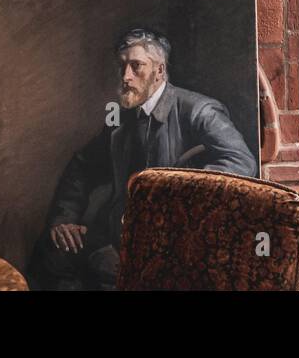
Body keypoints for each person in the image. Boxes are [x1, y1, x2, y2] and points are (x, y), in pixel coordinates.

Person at [28, 28, 257, 290]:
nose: (126, 76)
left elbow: (242, 162)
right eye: (122, 66)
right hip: (117, 234)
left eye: (136, 66)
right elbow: (82, 166)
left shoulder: (199, 111)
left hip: (172, 240)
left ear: (159, 71)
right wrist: (64, 220)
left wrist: (171, 188)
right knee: (50, 252)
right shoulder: (121, 119)